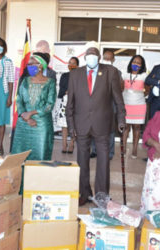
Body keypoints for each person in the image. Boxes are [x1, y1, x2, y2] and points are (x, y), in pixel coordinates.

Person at [66, 41, 126, 206]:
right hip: (81, 124)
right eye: (89, 54)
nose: (91, 56)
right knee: (81, 160)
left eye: (94, 53)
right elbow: (70, 102)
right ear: (85, 57)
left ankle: (101, 196)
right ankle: (84, 193)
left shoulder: (110, 72)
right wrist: (71, 126)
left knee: (103, 161)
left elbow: (118, 100)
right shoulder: (75, 74)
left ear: (99, 57)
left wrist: (121, 120)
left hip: (103, 124)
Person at [11, 54, 56, 160]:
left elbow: (49, 105)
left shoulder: (50, 83)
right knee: (20, 155)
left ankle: (37, 176)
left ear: (41, 65)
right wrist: (25, 116)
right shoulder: (25, 81)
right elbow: (19, 100)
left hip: (41, 124)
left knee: (40, 154)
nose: (29, 66)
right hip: (23, 123)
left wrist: (30, 114)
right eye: (28, 64)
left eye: (32, 64)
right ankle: (20, 176)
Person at [90, 50, 120, 160]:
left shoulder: (116, 71)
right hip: (95, 105)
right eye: (105, 58)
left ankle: (110, 153)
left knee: (110, 130)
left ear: (113, 60)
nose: (107, 60)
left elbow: (119, 89)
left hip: (110, 105)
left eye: (109, 58)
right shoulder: (94, 71)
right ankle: (94, 150)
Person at [122, 55, 147, 158]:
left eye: (138, 63)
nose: (136, 64)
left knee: (136, 127)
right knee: (126, 127)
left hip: (139, 105)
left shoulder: (144, 76)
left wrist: (139, 95)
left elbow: (148, 89)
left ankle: (135, 150)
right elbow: (120, 88)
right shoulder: (125, 75)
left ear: (141, 66)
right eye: (134, 62)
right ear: (131, 63)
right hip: (126, 104)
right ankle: (123, 148)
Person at [57, 56, 79, 153]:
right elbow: (61, 90)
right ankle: (64, 144)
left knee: (74, 124)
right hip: (65, 103)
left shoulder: (80, 76)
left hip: (76, 103)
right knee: (64, 125)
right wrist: (66, 92)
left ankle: (71, 144)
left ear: (77, 65)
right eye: (70, 63)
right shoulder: (64, 75)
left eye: (73, 63)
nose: (71, 65)